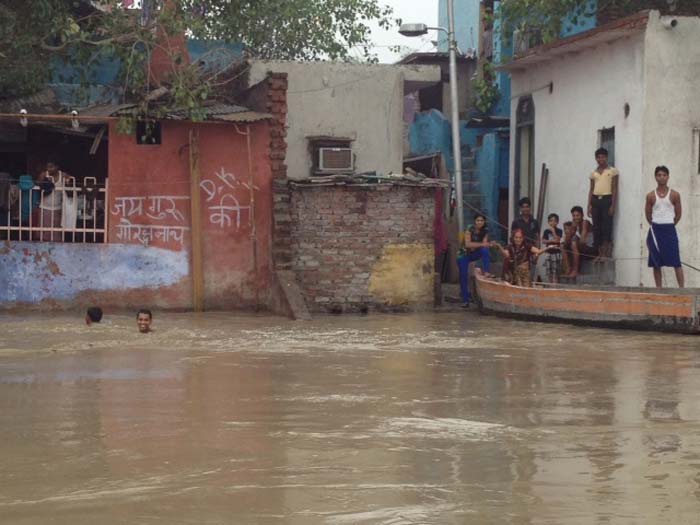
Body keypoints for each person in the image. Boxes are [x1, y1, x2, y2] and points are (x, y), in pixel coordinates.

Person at [645, 165, 684, 288]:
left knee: (676, 261)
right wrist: (656, 225)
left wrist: (669, 225)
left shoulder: (675, 195)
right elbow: (648, 214)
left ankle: (682, 288)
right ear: (655, 177)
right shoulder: (650, 195)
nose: (661, 177)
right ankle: (659, 288)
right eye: (659, 175)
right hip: (656, 230)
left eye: (664, 175)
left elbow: (678, 214)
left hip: (669, 229)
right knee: (656, 262)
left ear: (668, 177)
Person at [587, 147, 618, 262]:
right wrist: (589, 205)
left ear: (607, 157)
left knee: (606, 227)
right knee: (596, 227)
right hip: (595, 200)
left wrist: (613, 205)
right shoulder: (593, 173)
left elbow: (614, 188)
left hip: (607, 199)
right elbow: (591, 189)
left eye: (603, 157)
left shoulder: (613, 171)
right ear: (596, 158)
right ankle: (599, 253)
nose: (601, 159)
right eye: (599, 157)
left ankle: (605, 253)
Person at [33, 160, 74, 242]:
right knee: (43, 235)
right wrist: (44, 182)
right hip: (44, 207)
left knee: (56, 235)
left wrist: (68, 182)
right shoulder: (44, 174)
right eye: (47, 167)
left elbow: (70, 188)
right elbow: (37, 186)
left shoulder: (63, 175)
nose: (49, 169)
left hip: (57, 208)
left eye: (51, 167)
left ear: (57, 167)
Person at [457, 213, 493, 306]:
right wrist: (482, 244)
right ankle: (465, 300)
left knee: (485, 250)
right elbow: (468, 244)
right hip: (464, 255)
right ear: (474, 221)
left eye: (482, 220)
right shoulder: (470, 229)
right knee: (463, 276)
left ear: (484, 222)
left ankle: (487, 272)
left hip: (474, 254)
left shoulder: (485, 230)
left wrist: (487, 244)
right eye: (478, 220)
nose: (480, 222)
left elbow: (484, 245)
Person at [564, 206, 596, 279]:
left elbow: (582, 241)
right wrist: (572, 229)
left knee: (574, 242)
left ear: (582, 215)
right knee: (563, 245)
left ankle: (575, 270)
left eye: (578, 215)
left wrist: (574, 238)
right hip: (583, 249)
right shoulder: (575, 224)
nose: (576, 218)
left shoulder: (585, 222)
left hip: (592, 249)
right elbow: (566, 242)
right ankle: (568, 268)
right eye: (574, 216)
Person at [542, 213, 563, 283]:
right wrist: (551, 240)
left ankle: (556, 284)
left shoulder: (559, 231)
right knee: (549, 271)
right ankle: (550, 284)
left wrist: (553, 231)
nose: (552, 222)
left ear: (557, 222)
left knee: (556, 271)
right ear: (548, 222)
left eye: (554, 221)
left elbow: (557, 240)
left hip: (556, 253)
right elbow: (543, 241)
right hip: (548, 253)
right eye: (551, 221)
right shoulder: (546, 231)